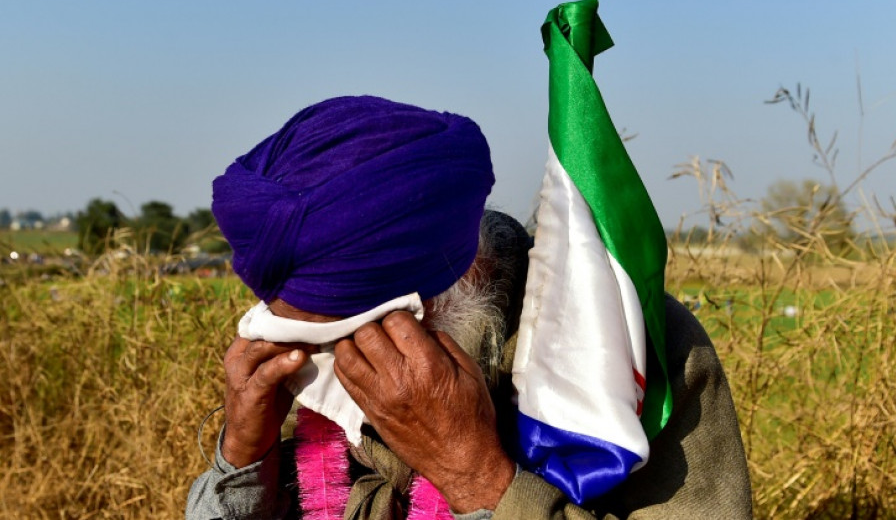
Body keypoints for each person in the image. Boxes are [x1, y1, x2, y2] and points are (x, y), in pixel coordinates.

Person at [187, 96, 752, 519]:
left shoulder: (633, 351)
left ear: (452, 280)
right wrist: (243, 461)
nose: (319, 359)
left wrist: (476, 476)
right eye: (293, 331)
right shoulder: (310, 366)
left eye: (341, 332)